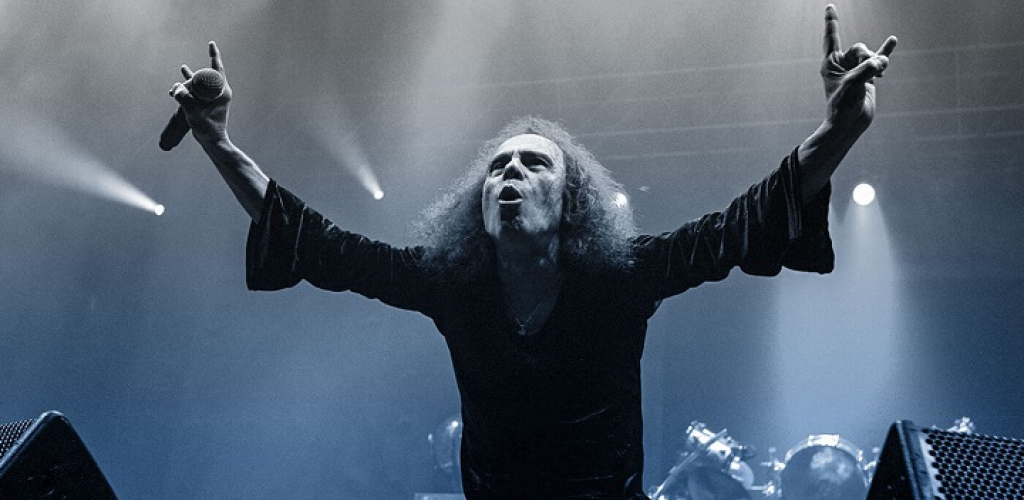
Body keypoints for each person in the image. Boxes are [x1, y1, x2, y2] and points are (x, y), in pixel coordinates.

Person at [166, 5, 895, 499]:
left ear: (571, 202)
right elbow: (322, 246)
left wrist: (840, 131)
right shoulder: (450, 281)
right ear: (478, 202)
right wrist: (218, 141)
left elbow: (740, 226)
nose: (509, 170)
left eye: (533, 162)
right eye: (497, 166)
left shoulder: (622, 274)